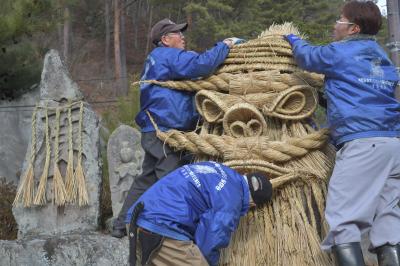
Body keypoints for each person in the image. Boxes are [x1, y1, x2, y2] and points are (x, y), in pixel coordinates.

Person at [285, 1, 400, 265]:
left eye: (340, 20)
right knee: (388, 220)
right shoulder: (380, 56)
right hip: (392, 143)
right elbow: (363, 92)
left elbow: (308, 57)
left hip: (363, 144)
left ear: (353, 28)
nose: (334, 24)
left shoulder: (340, 52)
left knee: (343, 220)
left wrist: (291, 39)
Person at [111, 18, 241, 238]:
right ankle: (166, 233)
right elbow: (201, 65)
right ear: (165, 39)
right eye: (177, 34)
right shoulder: (167, 56)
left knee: (147, 179)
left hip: (155, 130)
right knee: (172, 181)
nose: (183, 37)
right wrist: (225, 45)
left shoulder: (157, 59)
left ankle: (122, 225)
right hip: (166, 132)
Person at [125, 161, 273, 266]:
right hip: (162, 228)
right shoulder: (232, 199)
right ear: (253, 202)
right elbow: (210, 240)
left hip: (137, 216)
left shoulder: (218, 169)